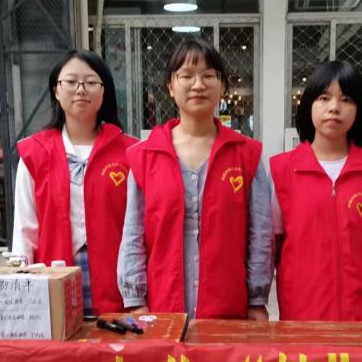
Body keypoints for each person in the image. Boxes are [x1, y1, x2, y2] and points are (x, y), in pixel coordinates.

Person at [117, 37, 273, 320]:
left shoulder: (246, 155)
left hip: (228, 309)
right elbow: (133, 233)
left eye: (208, 76)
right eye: (187, 76)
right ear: (170, 85)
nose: (198, 85)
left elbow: (260, 234)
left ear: (222, 86)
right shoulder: (145, 156)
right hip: (162, 310)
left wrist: (256, 299)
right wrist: (135, 301)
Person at [12, 50, 136, 315]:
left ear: (104, 91)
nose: (81, 90)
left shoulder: (130, 152)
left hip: (115, 280)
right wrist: (21, 286)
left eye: (91, 82)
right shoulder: (34, 153)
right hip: (52, 279)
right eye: (70, 81)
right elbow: (25, 228)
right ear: (56, 90)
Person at [270, 59, 362, 320]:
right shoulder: (282, 171)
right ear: (308, 105)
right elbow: (274, 246)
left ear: (359, 109)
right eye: (324, 98)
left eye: (346, 99)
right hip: (302, 313)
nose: (334, 107)